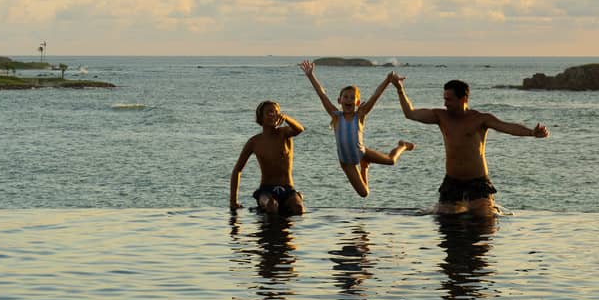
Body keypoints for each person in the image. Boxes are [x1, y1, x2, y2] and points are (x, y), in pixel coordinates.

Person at [391, 75, 548, 216]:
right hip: (452, 181)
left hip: (477, 181)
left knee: (483, 223)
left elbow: (507, 127)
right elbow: (410, 113)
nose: (445, 103)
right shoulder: (440, 116)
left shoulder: (480, 119)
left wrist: (531, 133)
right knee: (446, 225)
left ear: (463, 99)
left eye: (449, 100)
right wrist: (400, 89)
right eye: (444, 99)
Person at [300, 60, 415, 198]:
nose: (349, 100)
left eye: (352, 97)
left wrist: (388, 80)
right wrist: (310, 76)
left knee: (391, 161)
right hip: (346, 162)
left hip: (362, 152)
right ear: (339, 100)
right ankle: (364, 168)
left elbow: (375, 96)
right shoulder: (336, 116)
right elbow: (322, 94)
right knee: (364, 193)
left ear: (357, 102)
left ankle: (402, 146)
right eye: (345, 97)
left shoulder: (360, 115)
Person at [230, 100, 306, 214]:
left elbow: (299, 129)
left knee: (298, 209)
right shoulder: (254, 142)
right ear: (261, 117)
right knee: (271, 205)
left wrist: (286, 118)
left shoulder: (284, 133)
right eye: (269, 112)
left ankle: (297, 197)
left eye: (276, 112)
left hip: (287, 188)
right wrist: (233, 201)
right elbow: (237, 170)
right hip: (266, 191)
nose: (273, 114)